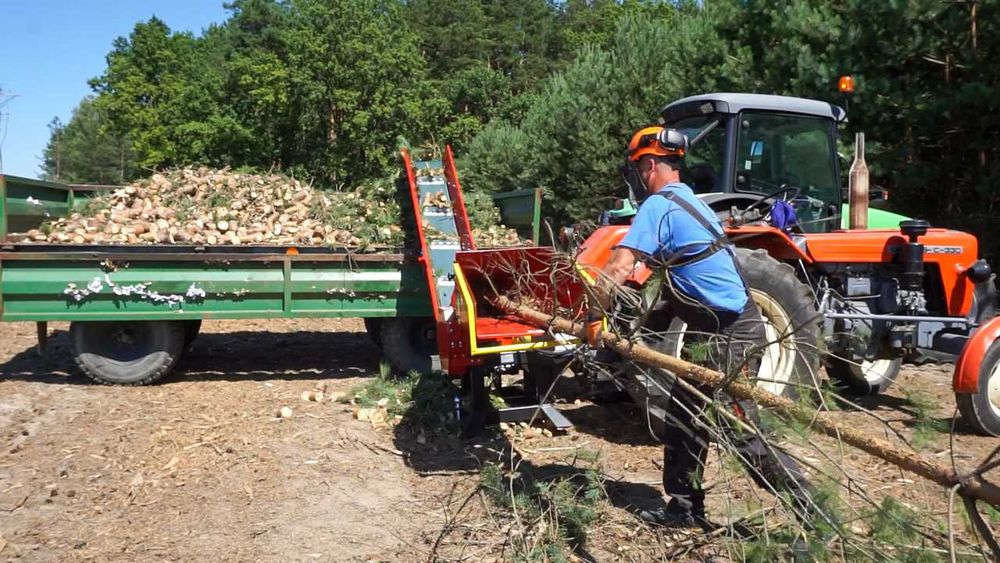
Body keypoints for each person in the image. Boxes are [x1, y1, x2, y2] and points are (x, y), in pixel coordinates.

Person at [587, 126, 813, 528]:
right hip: (709, 330)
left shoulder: (659, 207)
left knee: (738, 429)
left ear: (650, 164)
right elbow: (680, 279)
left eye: (639, 168)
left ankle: (813, 514)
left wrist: (591, 316)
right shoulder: (694, 203)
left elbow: (619, 267)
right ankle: (684, 508)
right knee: (683, 416)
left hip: (733, 333)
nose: (638, 177)